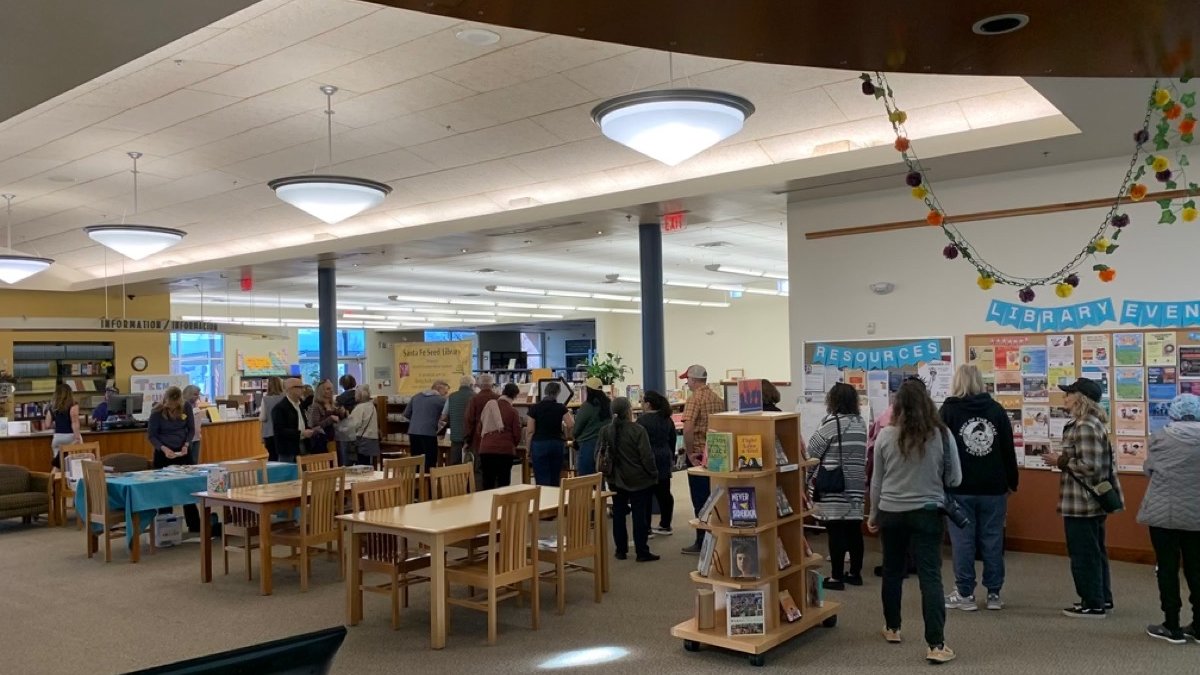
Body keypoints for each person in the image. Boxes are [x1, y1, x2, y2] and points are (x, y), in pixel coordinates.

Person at [868, 379, 961, 664]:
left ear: (897, 406)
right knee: (930, 577)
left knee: (893, 571)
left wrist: (873, 515)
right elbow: (956, 478)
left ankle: (893, 627)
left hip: (891, 513)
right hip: (928, 512)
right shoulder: (942, 435)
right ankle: (936, 644)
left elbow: (876, 482)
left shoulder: (885, 436)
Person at [940, 365, 1018, 612]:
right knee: (993, 539)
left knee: (963, 541)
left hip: (959, 487)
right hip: (994, 487)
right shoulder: (996, 410)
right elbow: (1007, 448)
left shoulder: (948, 411)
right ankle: (994, 594)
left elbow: (941, 451)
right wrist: (1012, 481)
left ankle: (965, 594)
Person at [1043, 377, 1122, 619]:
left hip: (1083, 503)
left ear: (1081, 398)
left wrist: (1061, 460)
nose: (1064, 397)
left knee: (1083, 553)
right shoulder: (1086, 423)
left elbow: (1092, 466)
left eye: (1069, 394)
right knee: (1094, 551)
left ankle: (1093, 603)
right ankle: (1100, 597)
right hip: (1086, 501)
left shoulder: (1086, 426)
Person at [1139, 393, 1200, 643]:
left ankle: (1171, 625)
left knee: (1167, 568)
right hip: (1196, 515)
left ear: (1173, 413)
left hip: (1163, 514)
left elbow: (1148, 469)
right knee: (1197, 569)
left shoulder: (1160, 437)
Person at [807, 382, 868, 589]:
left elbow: (812, 451)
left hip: (835, 484)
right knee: (853, 529)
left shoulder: (832, 423)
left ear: (833, 400)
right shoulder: (861, 423)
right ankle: (855, 574)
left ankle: (836, 577)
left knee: (835, 530)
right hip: (856, 485)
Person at [603, 397, 659, 562]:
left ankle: (620, 550)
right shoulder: (638, 430)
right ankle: (642, 551)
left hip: (615, 478)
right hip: (638, 479)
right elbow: (646, 457)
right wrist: (653, 473)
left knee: (619, 514)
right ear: (628, 411)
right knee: (639, 515)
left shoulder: (605, 431)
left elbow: (598, 454)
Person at [679, 365, 725, 554]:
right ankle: (716, 538)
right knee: (714, 497)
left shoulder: (694, 399)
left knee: (699, 499)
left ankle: (702, 541)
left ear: (694, 380)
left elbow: (688, 428)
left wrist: (689, 453)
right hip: (716, 454)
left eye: (687, 379)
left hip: (698, 455)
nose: (686, 383)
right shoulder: (717, 399)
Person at [148, 386, 200, 532]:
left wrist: (186, 444)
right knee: (165, 490)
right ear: (166, 400)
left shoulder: (186, 407)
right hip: (163, 453)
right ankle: (166, 527)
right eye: (170, 405)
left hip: (183, 452)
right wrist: (163, 449)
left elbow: (191, 429)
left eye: (175, 405)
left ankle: (194, 524)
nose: (173, 408)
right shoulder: (157, 411)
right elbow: (151, 436)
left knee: (188, 487)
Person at [638, 390, 676, 536]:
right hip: (664, 457)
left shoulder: (642, 421)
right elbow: (672, 439)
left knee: (646, 494)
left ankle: (647, 527)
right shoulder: (667, 419)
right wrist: (670, 455)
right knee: (664, 493)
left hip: (648, 459)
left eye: (643, 402)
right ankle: (666, 524)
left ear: (648, 404)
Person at [526, 381, 574, 486]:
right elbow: (570, 424)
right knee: (555, 476)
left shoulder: (534, 408)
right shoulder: (561, 407)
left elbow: (530, 431)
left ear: (545, 391)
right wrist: (566, 436)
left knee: (541, 477)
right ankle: (555, 499)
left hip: (539, 444)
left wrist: (528, 449)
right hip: (557, 443)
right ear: (558, 392)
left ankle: (543, 500)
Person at [478, 383, 523, 489]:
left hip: (486, 448)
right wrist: (513, 444)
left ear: (503, 392)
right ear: (515, 396)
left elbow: (480, 427)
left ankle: (487, 504)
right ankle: (502, 505)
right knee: (503, 481)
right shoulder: (513, 411)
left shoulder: (489, 406)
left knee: (488, 480)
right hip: (504, 450)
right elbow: (517, 433)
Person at [464, 374, 500, 486]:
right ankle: (495, 494)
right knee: (495, 469)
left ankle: (479, 494)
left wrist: (467, 440)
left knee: (478, 469)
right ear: (492, 385)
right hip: (496, 440)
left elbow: (469, 420)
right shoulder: (498, 398)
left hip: (478, 439)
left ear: (479, 385)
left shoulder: (474, 399)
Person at [405, 379, 449, 470]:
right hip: (428, 433)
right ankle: (428, 482)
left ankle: (417, 482)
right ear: (439, 388)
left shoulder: (416, 396)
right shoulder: (441, 400)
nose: (446, 394)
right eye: (445, 392)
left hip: (413, 432)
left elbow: (407, 414)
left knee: (416, 459)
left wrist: (417, 421)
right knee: (430, 460)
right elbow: (446, 415)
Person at [573, 377, 611, 477]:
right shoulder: (608, 405)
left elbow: (577, 429)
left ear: (588, 390)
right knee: (599, 478)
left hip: (588, 445)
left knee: (586, 480)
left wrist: (574, 437)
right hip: (604, 445)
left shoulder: (588, 406)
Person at [272, 378, 314, 462]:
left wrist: (310, 429)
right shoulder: (280, 408)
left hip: (303, 444)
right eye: (300, 387)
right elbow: (279, 430)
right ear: (290, 389)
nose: (303, 390)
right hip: (288, 449)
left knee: (304, 472)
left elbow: (302, 422)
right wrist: (301, 433)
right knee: (288, 473)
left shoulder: (300, 405)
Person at [307, 379, 344, 463]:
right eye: (328, 389)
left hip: (334, 441)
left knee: (336, 464)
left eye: (331, 388)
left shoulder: (333, 404)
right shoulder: (315, 406)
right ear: (321, 391)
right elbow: (314, 426)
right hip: (321, 443)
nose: (331, 391)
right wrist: (330, 419)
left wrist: (342, 413)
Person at [442, 375, 476, 465]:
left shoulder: (451, 396)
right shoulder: (475, 397)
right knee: (470, 461)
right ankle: (469, 479)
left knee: (455, 461)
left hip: (456, 434)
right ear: (472, 385)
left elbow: (444, 415)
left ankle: (455, 479)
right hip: (471, 434)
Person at [46, 384, 82, 468]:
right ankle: (70, 481)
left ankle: (53, 480)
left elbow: (47, 424)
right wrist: (77, 438)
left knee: (58, 465)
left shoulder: (52, 407)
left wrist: (58, 423)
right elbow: (75, 422)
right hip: (70, 437)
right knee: (74, 465)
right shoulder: (73, 405)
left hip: (57, 438)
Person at [345, 386, 379, 466]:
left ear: (360, 395)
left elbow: (354, 425)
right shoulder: (372, 406)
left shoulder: (360, 408)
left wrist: (347, 416)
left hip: (362, 441)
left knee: (361, 465)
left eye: (356, 393)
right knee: (368, 465)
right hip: (372, 440)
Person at [259, 377, 285, 461]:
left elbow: (263, 417)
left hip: (269, 433)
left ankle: (271, 473)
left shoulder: (265, 399)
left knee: (272, 455)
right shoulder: (285, 398)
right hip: (283, 432)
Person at [334, 374, 359, 463]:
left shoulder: (340, 398)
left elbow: (338, 414)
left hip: (344, 432)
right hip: (359, 430)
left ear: (342, 384)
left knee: (345, 459)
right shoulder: (359, 396)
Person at [182, 384, 204, 464]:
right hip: (187, 438)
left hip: (197, 437)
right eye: (195, 394)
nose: (197, 397)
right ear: (188, 394)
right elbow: (182, 420)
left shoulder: (196, 405)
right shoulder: (183, 406)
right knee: (188, 462)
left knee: (195, 461)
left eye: (198, 394)